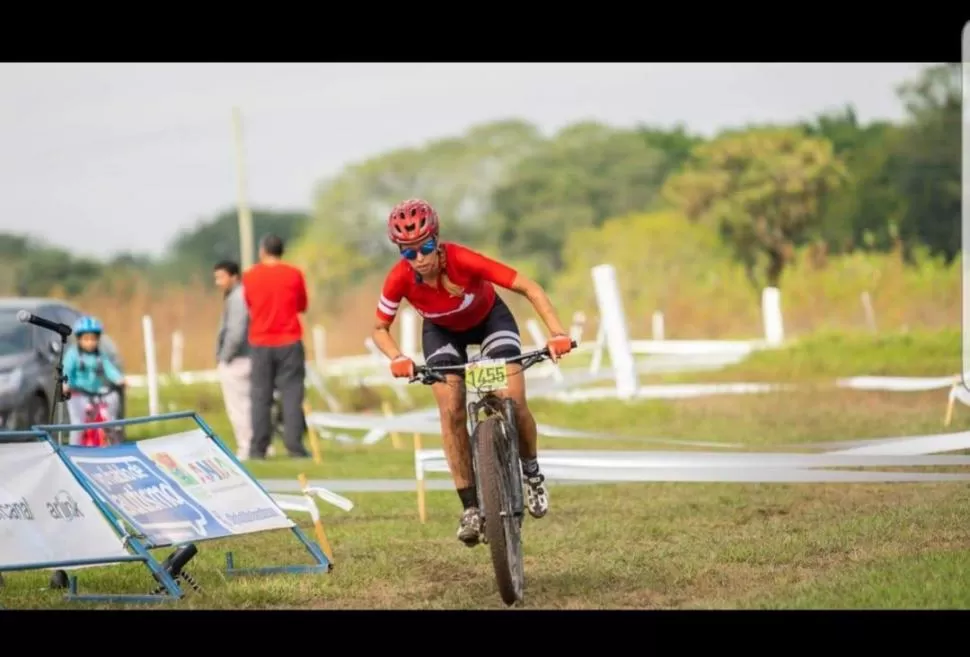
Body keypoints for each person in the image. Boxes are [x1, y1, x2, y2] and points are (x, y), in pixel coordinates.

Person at [371, 198, 574, 547]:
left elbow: (529, 287)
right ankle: (470, 508)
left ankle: (532, 473)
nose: (419, 258)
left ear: (438, 240)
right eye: (409, 253)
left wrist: (557, 333)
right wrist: (397, 357)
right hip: (441, 332)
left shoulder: (464, 259)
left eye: (427, 247)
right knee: (450, 409)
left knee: (513, 398)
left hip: (490, 321)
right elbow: (379, 328)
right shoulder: (400, 279)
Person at [242, 234, 310, 459]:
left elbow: (249, 304)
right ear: (282, 251)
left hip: (261, 341)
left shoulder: (250, 276)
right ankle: (294, 446)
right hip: (289, 340)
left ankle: (258, 448)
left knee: (260, 396)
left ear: (262, 251)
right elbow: (302, 305)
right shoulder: (294, 274)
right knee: (292, 394)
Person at [63, 316, 126, 446]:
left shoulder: (100, 355)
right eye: (86, 339)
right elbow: (67, 371)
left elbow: (110, 370)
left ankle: (113, 446)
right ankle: (74, 449)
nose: (90, 343)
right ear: (79, 339)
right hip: (78, 393)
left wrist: (119, 379)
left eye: (93, 339)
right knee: (78, 425)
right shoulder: (72, 354)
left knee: (108, 422)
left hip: (97, 393)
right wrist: (66, 384)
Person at [213, 259, 254, 460]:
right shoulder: (238, 295)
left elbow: (236, 331)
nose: (218, 282)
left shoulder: (238, 297)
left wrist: (224, 357)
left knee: (238, 406)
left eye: (221, 277)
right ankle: (257, 444)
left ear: (233, 276)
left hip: (237, 359)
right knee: (249, 403)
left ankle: (246, 447)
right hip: (246, 356)